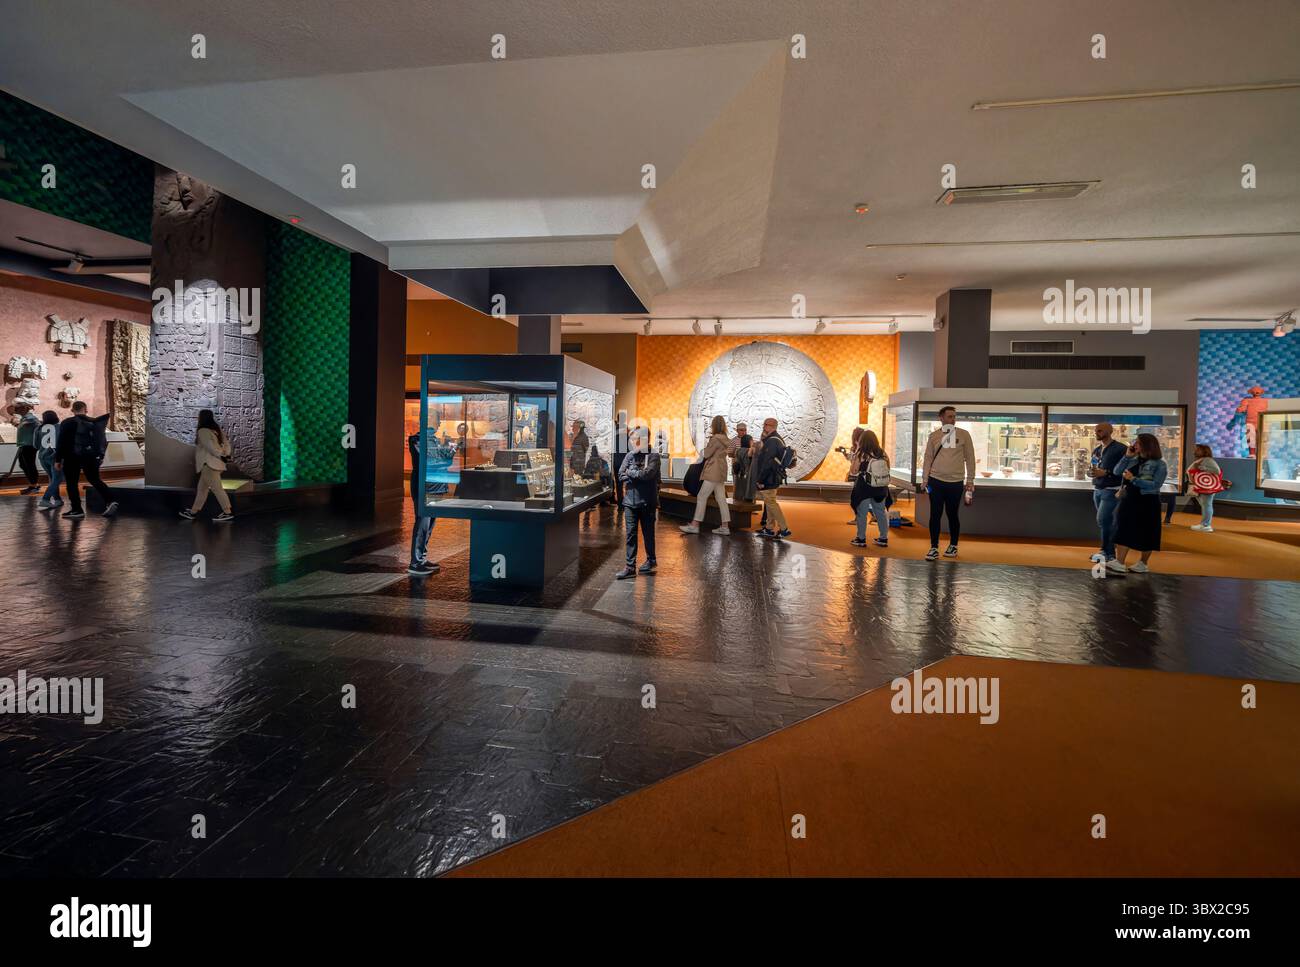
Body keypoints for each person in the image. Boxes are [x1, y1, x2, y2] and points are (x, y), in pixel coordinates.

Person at [919, 405, 975, 560]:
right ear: (941, 418)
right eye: (950, 416)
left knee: (952, 514)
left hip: (955, 482)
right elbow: (928, 458)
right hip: (935, 482)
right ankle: (934, 547)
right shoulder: (934, 436)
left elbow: (970, 458)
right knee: (935, 514)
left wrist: (970, 480)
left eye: (954, 416)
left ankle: (953, 545)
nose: (953, 419)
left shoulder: (964, 435)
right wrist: (924, 479)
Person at [1110, 433, 1168, 574]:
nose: (1134, 444)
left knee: (1147, 531)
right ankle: (1120, 562)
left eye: (1138, 442)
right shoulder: (1133, 459)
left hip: (1147, 500)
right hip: (1129, 498)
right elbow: (1117, 471)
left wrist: (1134, 479)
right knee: (1122, 526)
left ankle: (1143, 563)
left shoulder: (1160, 464)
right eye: (1135, 442)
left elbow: (1155, 485)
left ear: (1147, 445)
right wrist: (1127, 456)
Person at [55, 401, 117, 519]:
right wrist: (101, 456)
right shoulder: (95, 422)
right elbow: (101, 440)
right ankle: (110, 500)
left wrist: (58, 459)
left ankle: (77, 509)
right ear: (86, 410)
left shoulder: (67, 423)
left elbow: (61, 442)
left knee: (72, 483)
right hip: (91, 456)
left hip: (71, 457)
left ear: (72, 410)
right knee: (95, 480)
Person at [616, 426, 660, 579]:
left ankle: (651, 560)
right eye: (631, 439)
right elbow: (621, 474)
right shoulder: (629, 456)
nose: (632, 442)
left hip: (647, 502)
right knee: (630, 535)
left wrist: (631, 473)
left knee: (648, 534)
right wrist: (634, 475)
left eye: (635, 439)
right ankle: (630, 567)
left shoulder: (654, 456)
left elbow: (647, 475)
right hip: (629, 502)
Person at [680, 415, 732, 536]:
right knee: (721, 499)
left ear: (714, 425)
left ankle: (695, 525)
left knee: (701, 496)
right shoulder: (726, 439)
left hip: (712, 471)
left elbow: (707, 454)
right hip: (721, 470)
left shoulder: (715, 439)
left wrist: (704, 448)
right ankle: (725, 527)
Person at [179, 409, 234, 522]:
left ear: (201, 418)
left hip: (208, 464)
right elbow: (227, 444)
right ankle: (193, 512)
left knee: (217, 489)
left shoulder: (203, 431)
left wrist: (219, 453)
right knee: (202, 490)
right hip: (216, 464)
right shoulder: (216, 430)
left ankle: (227, 512)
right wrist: (225, 454)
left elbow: (209, 447)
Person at [1088, 421, 1127, 566]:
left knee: (1104, 520)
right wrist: (1092, 472)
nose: (1097, 433)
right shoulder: (1097, 450)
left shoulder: (1120, 449)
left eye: (1100, 431)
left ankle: (1108, 552)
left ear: (1109, 431)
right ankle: (1106, 550)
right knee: (1104, 522)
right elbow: (1094, 466)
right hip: (1098, 488)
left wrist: (1106, 473)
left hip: (1111, 490)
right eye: (1096, 431)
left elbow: (1124, 471)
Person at [406, 429, 440, 576]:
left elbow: (444, 460)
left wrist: (450, 450)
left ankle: (421, 558)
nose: (438, 425)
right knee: (422, 524)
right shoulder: (416, 440)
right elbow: (428, 460)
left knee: (430, 524)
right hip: (423, 486)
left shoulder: (434, 440)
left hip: (434, 486)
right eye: (436, 421)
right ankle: (415, 562)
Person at [849, 429, 891, 548]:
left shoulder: (861, 453)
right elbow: (888, 467)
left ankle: (861, 538)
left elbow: (853, 471)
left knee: (862, 513)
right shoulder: (882, 453)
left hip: (864, 487)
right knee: (880, 513)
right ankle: (883, 538)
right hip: (880, 486)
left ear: (862, 441)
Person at [753, 418, 792, 540]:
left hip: (769, 477)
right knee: (769, 502)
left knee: (771, 503)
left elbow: (767, 463)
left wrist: (760, 479)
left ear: (772, 426)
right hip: (774, 476)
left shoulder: (772, 441)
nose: (764, 427)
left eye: (766, 425)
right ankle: (769, 528)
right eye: (764, 424)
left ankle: (784, 528)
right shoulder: (778, 439)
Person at [1187, 443, 1226, 533]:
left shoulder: (1207, 460)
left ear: (1204, 451)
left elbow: (1217, 470)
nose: (1195, 451)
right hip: (1200, 486)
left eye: (1198, 449)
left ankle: (1205, 525)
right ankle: (1205, 524)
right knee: (1205, 505)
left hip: (1206, 486)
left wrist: (1201, 467)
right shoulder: (1202, 459)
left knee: (1206, 505)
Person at [36, 410, 64, 511]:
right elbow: (62, 442)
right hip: (55, 457)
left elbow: (35, 445)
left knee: (53, 479)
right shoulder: (60, 427)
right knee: (57, 479)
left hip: (43, 457)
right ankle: (45, 499)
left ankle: (57, 499)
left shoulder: (39, 428)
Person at [837, 426, 866, 524]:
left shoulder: (864, 448)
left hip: (860, 476)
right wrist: (844, 453)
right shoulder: (854, 448)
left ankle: (859, 518)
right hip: (853, 475)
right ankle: (860, 517)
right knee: (857, 498)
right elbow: (851, 459)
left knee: (858, 499)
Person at [14, 404, 41, 495]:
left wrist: (25, 423)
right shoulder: (24, 418)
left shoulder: (30, 417)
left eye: (18, 409)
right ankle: (33, 484)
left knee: (30, 465)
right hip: (24, 445)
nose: (16, 410)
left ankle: (34, 486)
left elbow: (36, 422)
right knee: (23, 464)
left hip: (29, 445)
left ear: (24, 409)